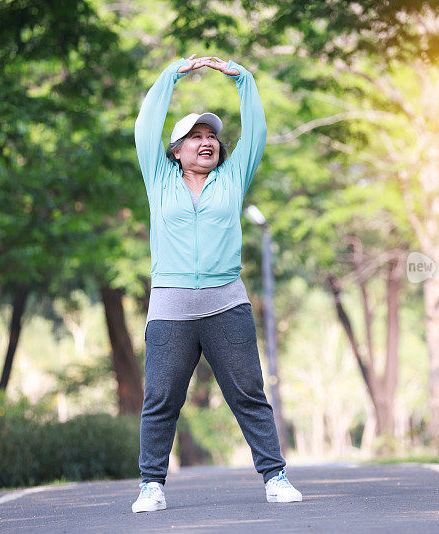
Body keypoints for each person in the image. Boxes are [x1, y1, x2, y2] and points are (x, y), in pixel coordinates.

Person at [131, 54, 302, 513]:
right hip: (171, 307)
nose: (206, 142)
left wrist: (242, 79)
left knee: (248, 393)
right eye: (195, 137)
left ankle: (275, 476)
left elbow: (258, 133)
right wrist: (170, 75)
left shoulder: (231, 179)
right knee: (161, 398)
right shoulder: (159, 179)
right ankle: (151, 484)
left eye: (211, 137)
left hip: (227, 304)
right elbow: (145, 128)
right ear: (176, 149)